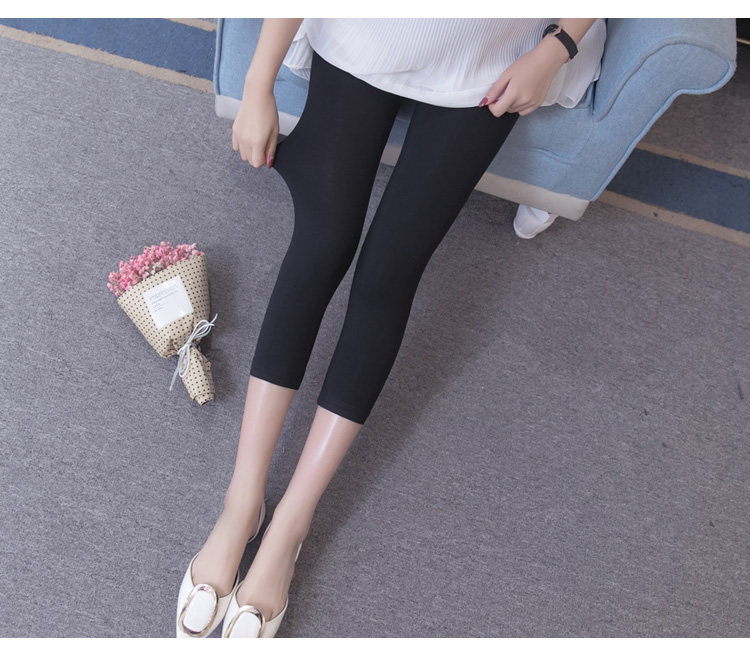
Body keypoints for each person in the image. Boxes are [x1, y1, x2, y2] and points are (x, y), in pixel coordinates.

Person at [175, 17, 606, 638]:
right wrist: (257, 81)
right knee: (321, 244)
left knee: (388, 274)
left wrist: (557, 47)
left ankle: (292, 523)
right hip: (368, 29)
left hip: (490, 53)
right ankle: (242, 503)